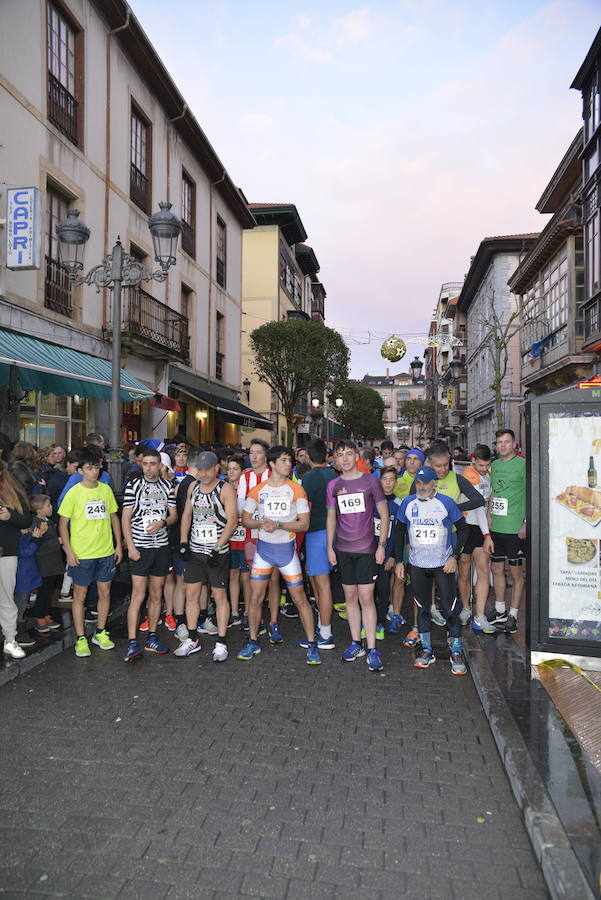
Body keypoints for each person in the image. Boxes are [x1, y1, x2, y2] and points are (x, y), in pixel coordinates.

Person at [238, 446, 320, 665]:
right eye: (284, 460)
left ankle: (312, 644)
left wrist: (279, 524)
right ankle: (253, 641)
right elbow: (245, 520)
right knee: (255, 599)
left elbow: (304, 524)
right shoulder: (257, 490)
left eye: (290, 460)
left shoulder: (297, 490)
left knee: (300, 598)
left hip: (287, 553)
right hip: (263, 552)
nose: (289, 464)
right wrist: (261, 523)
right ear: (272, 463)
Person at [394, 465, 469, 676]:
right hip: (418, 564)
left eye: (426, 483)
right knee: (422, 607)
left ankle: (455, 649)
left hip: (442, 564)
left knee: (450, 607)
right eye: (418, 483)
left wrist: (454, 556)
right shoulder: (408, 503)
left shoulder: (445, 503)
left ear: (434, 483)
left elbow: (463, 530)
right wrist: (400, 561)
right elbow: (399, 531)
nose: (422, 487)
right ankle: (426, 648)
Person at [326, 440, 389, 672]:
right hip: (343, 550)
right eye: (340, 454)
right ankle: (356, 643)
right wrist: (329, 548)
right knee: (350, 597)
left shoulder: (371, 482)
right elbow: (331, 518)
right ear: (334, 459)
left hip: (366, 550)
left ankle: (372, 648)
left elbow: (384, 515)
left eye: (349, 454)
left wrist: (381, 545)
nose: (344, 458)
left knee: (367, 598)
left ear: (357, 457)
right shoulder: (333, 485)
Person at [58, 448, 123, 658]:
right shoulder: (74, 492)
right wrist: (68, 550)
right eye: (89, 468)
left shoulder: (105, 490)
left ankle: (100, 632)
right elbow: (63, 524)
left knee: (105, 593)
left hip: (105, 551)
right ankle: (80, 637)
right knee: (80, 595)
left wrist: (118, 545)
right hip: (82, 553)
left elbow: (114, 517)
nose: (94, 471)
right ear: (80, 470)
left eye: (96, 467)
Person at [176, 451, 237, 661]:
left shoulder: (225, 489)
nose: (202, 474)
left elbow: (232, 521)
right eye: (199, 470)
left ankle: (221, 642)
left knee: (219, 596)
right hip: (195, 550)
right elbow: (186, 515)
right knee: (192, 594)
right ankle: (192, 638)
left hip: (216, 552)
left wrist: (218, 547)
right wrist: (183, 542)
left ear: (216, 468)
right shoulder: (193, 487)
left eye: (207, 469)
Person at [121, 448, 177, 662]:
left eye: (153, 463)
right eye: (145, 464)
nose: (149, 468)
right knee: (138, 595)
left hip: (161, 547)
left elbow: (173, 516)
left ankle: (152, 636)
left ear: (160, 465)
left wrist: (163, 522)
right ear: (141, 465)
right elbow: (125, 517)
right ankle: (132, 642)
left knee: (157, 594)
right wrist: (131, 547)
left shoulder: (167, 486)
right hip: (140, 548)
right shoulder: (133, 485)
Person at [237, 439, 283, 639]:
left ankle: (273, 620)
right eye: (251, 452)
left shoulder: (274, 476)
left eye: (257, 452)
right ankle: (252, 615)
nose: (253, 456)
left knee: (273, 578)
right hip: (250, 535)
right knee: (251, 577)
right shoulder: (244, 477)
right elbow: (240, 508)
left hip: (271, 535)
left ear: (266, 457)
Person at [487, 429, 526, 634]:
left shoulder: (523, 464)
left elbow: (531, 493)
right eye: (499, 442)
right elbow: (494, 492)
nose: (502, 445)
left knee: (516, 572)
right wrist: (489, 516)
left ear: (514, 444)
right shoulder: (495, 465)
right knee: (496, 569)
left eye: (506, 442)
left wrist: (525, 522)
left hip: (515, 528)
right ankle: (500, 609)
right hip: (497, 527)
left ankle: (513, 614)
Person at [300, 438, 338, 649]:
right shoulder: (335, 474)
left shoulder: (309, 478)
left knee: (322, 585)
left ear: (307, 455)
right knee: (322, 583)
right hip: (334, 533)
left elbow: (306, 509)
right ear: (326, 454)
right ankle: (323, 629)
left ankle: (325, 632)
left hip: (316, 533)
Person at [457, 445, 496, 634]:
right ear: (473, 461)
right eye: (480, 465)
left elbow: (487, 503)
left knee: (483, 570)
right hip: (466, 527)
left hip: (481, 528)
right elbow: (476, 505)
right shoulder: (466, 475)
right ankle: (466, 608)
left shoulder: (488, 476)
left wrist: (487, 530)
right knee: (464, 571)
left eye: (487, 465)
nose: (484, 468)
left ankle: (479, 616)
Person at [0, 464, 32, 659]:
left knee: (6, 597)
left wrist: (9, 515)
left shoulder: (12, 491)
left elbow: (26, 521)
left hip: (6, 552)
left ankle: (10, 639)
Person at [374, 467, 402, 638]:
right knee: (369, 589)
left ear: (396, 482)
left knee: (384, 589)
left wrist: (393, 556)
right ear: (379, 481)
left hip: (387, 554)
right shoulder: (372, 502)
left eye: (392, 479)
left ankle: (380, 622)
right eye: (385, 479)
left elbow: (399, 534)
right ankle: (367, 620)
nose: (388, 483)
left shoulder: (399, 504)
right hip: (370, 552)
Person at [29, 494, 63, 633]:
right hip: (44, 564)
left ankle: (44, 613)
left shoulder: (47, 521)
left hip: (52, 563)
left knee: (48, 591)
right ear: (39, 509)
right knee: (44, 591)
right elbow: (40, 547)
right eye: (48, 505)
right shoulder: (36, 524)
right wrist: (58, 542)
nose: (51, 507)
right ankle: (40, 616)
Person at [226, 455, 248, 628]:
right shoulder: (224, 488)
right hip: (230, 538)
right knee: (233, 574)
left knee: (246, 576)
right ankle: (234, 612)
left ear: (242, 471)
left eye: (235, 469)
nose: (231, 472)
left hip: (247, 537)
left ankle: (248, 611)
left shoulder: (248, 489)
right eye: (229, 469)